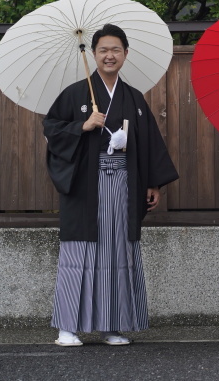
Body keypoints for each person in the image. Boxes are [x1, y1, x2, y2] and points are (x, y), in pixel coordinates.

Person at [43, 23, 178, 347]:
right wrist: (83, 125)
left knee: (117, 251)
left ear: (126, 54)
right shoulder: (76, 94)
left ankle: (111, 325)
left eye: (116, 49)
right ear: (93, 54)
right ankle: (67, 327)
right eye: (103, 49)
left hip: (123, 186)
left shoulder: (133, 98)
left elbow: (147, 144)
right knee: (80, 253)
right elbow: (51, 129)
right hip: (86, 187)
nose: (109, 55)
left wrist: (153, 183)